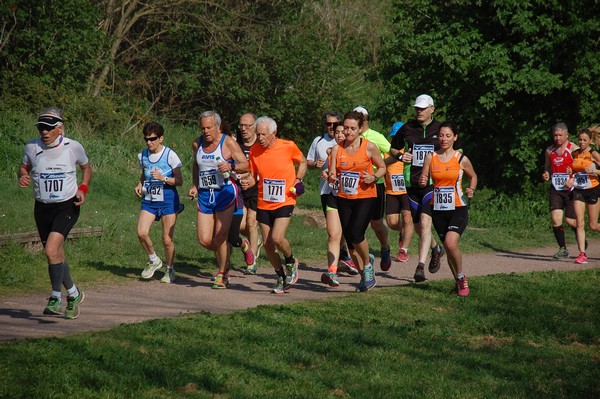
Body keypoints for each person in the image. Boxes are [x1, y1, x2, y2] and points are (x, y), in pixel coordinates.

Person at [17, 107, 91, 319]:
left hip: (67, 205)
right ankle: (74, 295)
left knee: (50, 250)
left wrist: (83, 188)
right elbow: (24, 167)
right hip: (42, 208)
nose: (44, 132)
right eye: (41, 127)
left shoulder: (73, 147)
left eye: (49, 128)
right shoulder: (32, 146)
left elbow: (87, 168)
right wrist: (22, 176)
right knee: (56, 254)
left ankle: (55, 296)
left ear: (60, 129)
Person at [188, 111, 248, 289]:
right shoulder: (197, 143)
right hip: (206, 195)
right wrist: (195, 185)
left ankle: (222, 274)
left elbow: (246, 165)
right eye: (203, 128)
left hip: (225, 193)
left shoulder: (228, 142)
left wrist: (231, 165)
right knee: (205, 240)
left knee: (221, 236)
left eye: (209, 127)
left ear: (218, 126)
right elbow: (196, 165)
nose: (205, 131)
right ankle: (226, 257)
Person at [328, 111, 387, 292]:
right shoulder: (338, 149)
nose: (348, 132)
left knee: (355, 233)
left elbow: (383, 167)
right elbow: (332, 173)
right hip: (345, 197)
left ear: (360, 129)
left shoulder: (369, 147)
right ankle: (364, 275)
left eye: (353, 128)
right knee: (351, 243)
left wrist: (374, 176)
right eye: (345, 128)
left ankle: (368, 265)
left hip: (366, 197)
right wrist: (329, 176)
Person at [247, 116, 307, 294]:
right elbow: (252, 175)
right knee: (267, 244)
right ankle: (280, 275)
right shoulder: (255, 151)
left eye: (263, 134)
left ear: (274, 133)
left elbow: (302, 161)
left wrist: (298, 180)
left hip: (285, 199)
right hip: (264, 201)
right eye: (257, 134)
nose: (260, 138)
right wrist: (244, 180)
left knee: (277, 238)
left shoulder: (288, 146)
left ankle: (290, 261)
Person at [389, 94, 445, 282]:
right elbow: (393, 149)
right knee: (420, 226)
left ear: (432, 109)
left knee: (425, 221)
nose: (419, 111)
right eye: (417, 108)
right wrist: (400, 157)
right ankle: (436, 248)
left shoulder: (441, 129)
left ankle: (420, 266)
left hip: (432, 183)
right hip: (411, 183)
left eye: (422, 108)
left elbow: (455, 151)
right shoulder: (407, 128)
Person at [419, 121, 477, 296]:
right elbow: (424, 177)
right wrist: (423, 180)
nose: (444, 139)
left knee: (451, 244)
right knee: (448, 246)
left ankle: (461, 278)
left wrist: (471, 189)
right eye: (441, 135)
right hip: (438, 209)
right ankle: (458, 282)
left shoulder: (461, 158)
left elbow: (473, 176)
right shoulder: (431, 157)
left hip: (458, 208)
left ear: (455, 138)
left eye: (448, 136)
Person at [306, 112, 358, 280]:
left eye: (338, 127)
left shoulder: (354, 146)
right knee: (334, 232)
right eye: (330, 125)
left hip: (351, 196)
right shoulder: (321, 142)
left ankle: (361, 260)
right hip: (329, 193)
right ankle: (335, 268)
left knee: (351, 233)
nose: (334, 129)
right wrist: (323, 170)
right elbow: (309, 162)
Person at [135, 122, 184, 283]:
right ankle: (154, 260)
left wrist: (163, 178)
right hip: (149, 200)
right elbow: (144, 174)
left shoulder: (170, 155)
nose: (149, 142)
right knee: (141, 232)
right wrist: (140, 184)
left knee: (166, 239)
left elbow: (179, 181)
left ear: (161, 138)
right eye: (146, 139)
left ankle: (170, 270)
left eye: (153, 139)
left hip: (168, 201)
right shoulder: (143, 155)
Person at [319, 122, 360, 287]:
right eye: (336, 132)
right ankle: (332, 272)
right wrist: (327, 173)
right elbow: (332, 172)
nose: (339, 135)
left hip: (352, 200)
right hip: (333, 197)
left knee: (354, 240)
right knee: (333, 235)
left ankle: (365, 264)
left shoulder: (357, 151)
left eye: (343, 132)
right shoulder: (332, 151)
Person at [353, 106, 393, 272]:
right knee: (355, 226)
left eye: (360, 118)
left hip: (375, 185)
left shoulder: (376, 136)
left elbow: (394, 154)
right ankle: (364, 259)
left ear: (366, 119)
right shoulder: (350, 136)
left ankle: (385, 247)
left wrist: (378, 168)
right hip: (354, 187)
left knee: (376, 223)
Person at [542, 122, 578, 259]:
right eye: (555, 135)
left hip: (571, 190)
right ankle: (563, 249)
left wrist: (573, 176)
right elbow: (547, 167)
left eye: (560, 135)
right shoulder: (549, 150)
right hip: (556, 189)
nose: (557, 138)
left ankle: (580, 235)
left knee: (570, 221)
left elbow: (583, 167)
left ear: (567, 135)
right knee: (556, 220)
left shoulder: (573, 149)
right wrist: (546, 173)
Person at [565, 128, 600, 264]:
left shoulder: (594, 154)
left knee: (593, 225)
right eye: (580, 139)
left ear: (590, 141)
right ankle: (582, 254)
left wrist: (595, 170)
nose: (582, 142)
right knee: (579, 222)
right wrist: (570, 173)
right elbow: (575, 170)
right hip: (579, 190)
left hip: (593, 189)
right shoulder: (575, 154)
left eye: (585, 140)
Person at [384, 121, 414, 263]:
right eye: (395, 136)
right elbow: (383, 165)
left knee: (408, 218)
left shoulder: (410, 150)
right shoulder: (388, 150)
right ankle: (406, 230)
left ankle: (404, 251)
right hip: (392, 191)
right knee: (392, 222)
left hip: (407, 189)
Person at [236, 113, 261, 274]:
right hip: (239, 189)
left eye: (248, 126)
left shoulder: (260, 144)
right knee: (241, 225)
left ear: (255, 127)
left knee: (252, 222)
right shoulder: (235, 144)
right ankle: (255, 240)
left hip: (257, 189)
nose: (244, 129)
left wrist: (253, 178)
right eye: (241, 126)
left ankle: (252, 263)